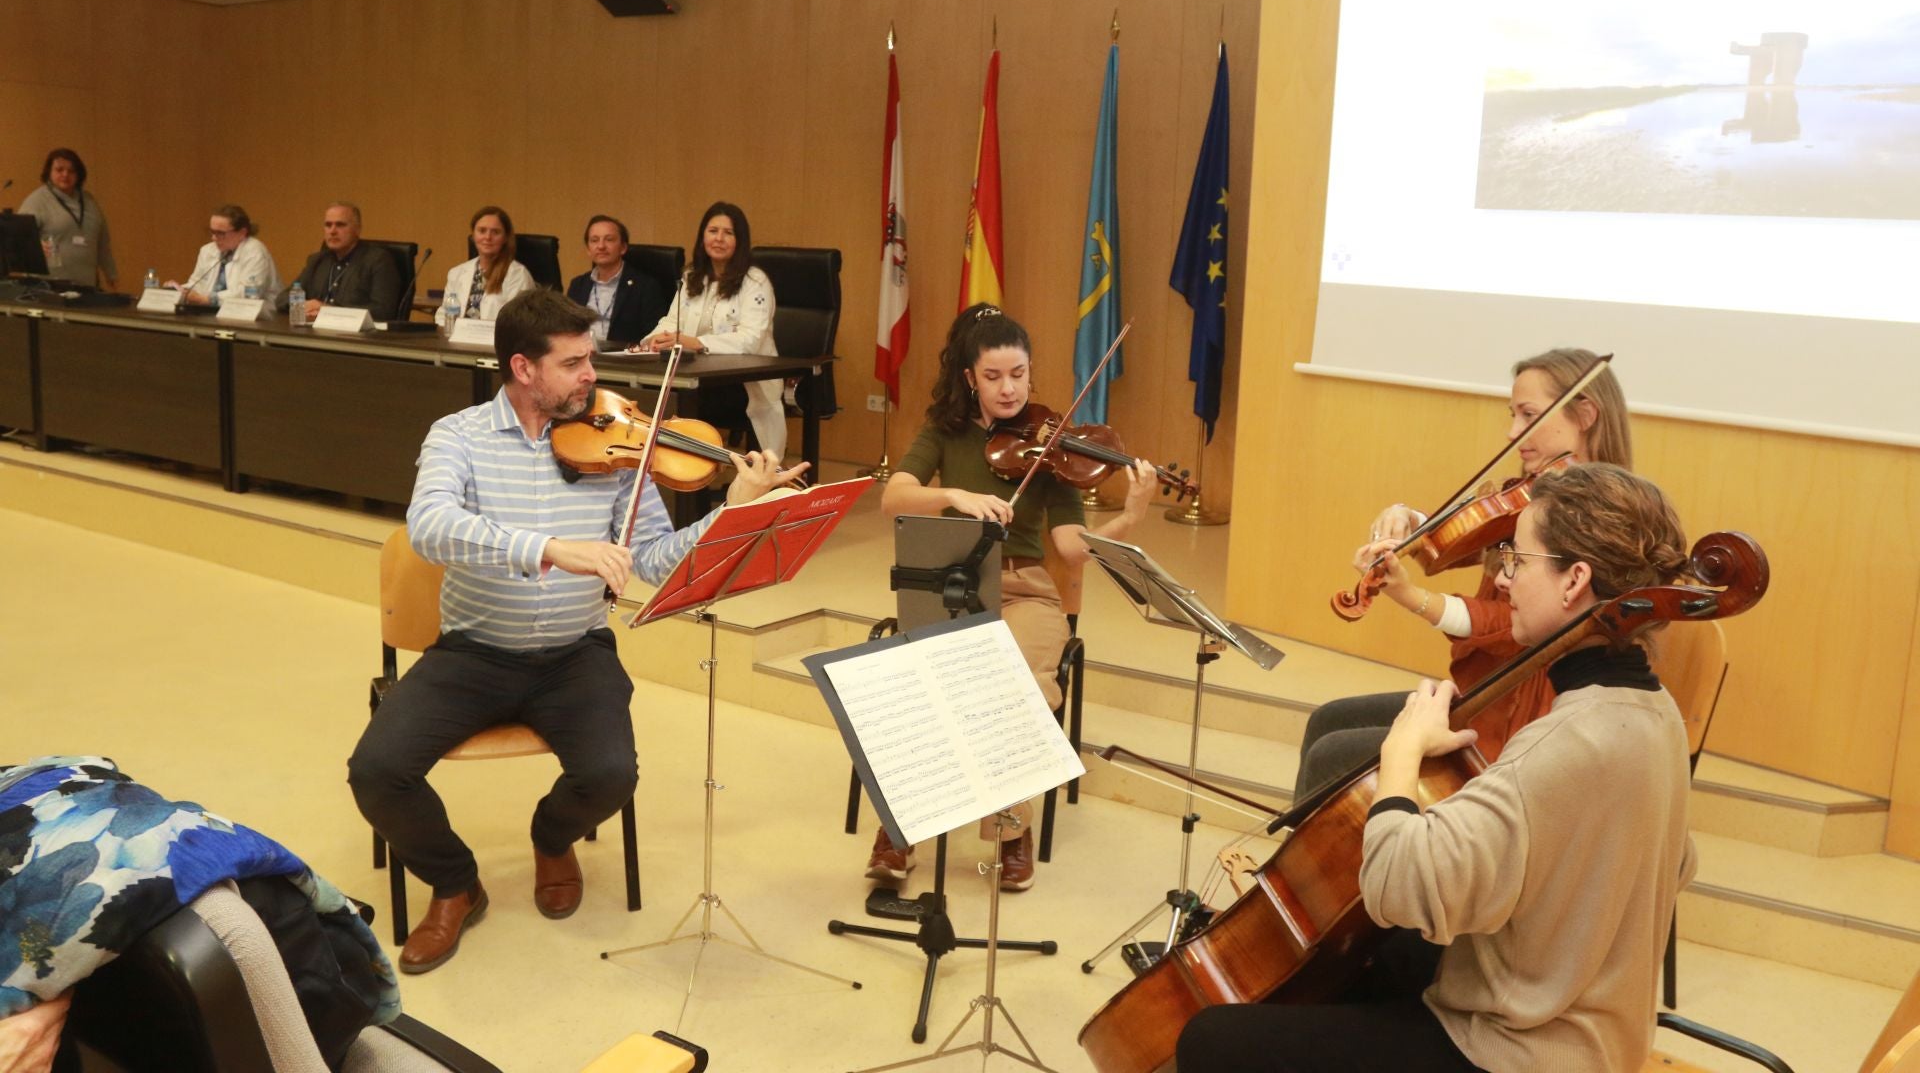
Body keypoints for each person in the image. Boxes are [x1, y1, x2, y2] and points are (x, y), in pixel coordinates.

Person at [1176, 461, 1698, 1072]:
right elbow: (1680, 861)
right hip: (1595, 1022)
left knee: (1211, 1041)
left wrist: (1401, 756)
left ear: (1574, 580)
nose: (1502, 582)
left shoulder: (1558, 741)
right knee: (1368, 964)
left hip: (1519, 1051)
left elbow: (1398, 885)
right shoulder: (1656, 711)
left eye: (1517, 561)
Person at [346, 289, 805, 975]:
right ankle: (455, 882)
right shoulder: (458, 435)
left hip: (573, 655)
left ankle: (550, 836)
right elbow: (430, 528)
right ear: (523, 369)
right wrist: (550, 546)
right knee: (377, 772)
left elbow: (651, 558)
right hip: (473, 652)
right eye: (574, 363)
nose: (593, 376)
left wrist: (730, 512)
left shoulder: (620, 442)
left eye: (590, 358)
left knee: (612, 775)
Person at [871, 303, 1156, 891]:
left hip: (1026, 589)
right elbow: (894, 497)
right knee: (917, 680)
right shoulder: (944, 432)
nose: (1009, 388)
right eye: (995, 376)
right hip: (950, 585)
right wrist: (953, 495)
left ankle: (1009, 826)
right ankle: (901, 823)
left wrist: (1128, 517)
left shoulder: (1053, 445)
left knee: (1014, 678)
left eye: (1019, 374)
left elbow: (1072, 547)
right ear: (970, 378)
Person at [1293, 347, 1632, 800]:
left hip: (1516, 716)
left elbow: (1516, 629)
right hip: (1484, 695)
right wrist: (1411, 520)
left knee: (1332, 754)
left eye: (1528, 415)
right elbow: (1468, 538)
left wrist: (1414, 598)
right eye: (1512, 414)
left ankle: (1341, 866)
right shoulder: (1535, 494)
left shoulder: (1595, 516)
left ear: (1585, 413)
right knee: (1328, 721)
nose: (1514, 432)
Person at [635, 202, 785, 463]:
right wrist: (654, 339)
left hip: (743, 383)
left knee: (680, 402)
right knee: (647, 394)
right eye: (712, 230)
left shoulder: (755, 281)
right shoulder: (693, 276)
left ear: (740, 240)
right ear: (702, 235)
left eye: (728, 233)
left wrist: (696, 342)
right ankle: (667, 473)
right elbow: (672, 321)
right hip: (696, 378)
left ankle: (691, 476)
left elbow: (750, 340)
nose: (719, 238)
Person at [279, 202, 401, 323]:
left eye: (340, 225)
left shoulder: (378, 260)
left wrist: (329, 311)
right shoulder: (317, 260)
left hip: (356, 337)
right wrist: (303, 305)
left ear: (357, 229)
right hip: (314, 332)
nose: (332, 231)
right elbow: (281, 299)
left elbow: (383, 311)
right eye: (328, 225)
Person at [16, 148, 115, 289]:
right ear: (49, 173)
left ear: (79, 174)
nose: (65, 175)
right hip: (48, 286)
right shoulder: (37, 201)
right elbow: (18, 239)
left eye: (71, 171)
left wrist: (111, 274)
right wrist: (35, 246)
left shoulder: (89, 201)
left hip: (86, 284)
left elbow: (103, 242)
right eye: (59, 170)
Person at [565, 214, 669, 347]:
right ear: (588, 250)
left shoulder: (646, 286)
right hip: (582, 357)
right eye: (594, 240)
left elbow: (652, 334)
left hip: (624, 362)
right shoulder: (578, 285)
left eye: (609, 239)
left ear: (623, 247)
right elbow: (566, 330)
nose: (601, 246)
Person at [439, 205, 535, 328]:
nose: (488, 237)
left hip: (497, 343)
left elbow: (519, 322)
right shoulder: (456, 272)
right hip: (457, 340)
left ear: (505, 238)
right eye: (482, 231)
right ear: (473, 235)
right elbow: (444, 314)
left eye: (495, 232)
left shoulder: (517, 274)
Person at [173, 205, 282, 306]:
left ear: (242, 233)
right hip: (212, 311)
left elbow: (248, 292)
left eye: (220, 233)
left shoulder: (255, 252)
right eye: (212, 232)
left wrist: (210, 300)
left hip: (256, 316)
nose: (214, 238)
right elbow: (198, 283)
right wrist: (179, 290)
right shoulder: (207, 250)